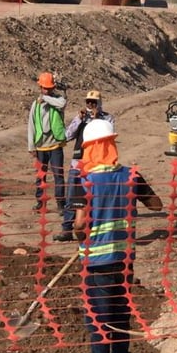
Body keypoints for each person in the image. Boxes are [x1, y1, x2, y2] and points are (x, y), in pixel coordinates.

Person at [71, 119, 163, 353]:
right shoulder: (130, 176)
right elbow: (156, 205)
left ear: (90, 148)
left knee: (98, 321)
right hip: (124, 261)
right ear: (112, 145)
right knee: (121, 317)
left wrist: (81, 235)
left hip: (95, 264)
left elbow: (79, 223)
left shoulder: (85, 180)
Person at [53, 90, 115, 242]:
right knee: (71, 197)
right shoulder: (80, 118)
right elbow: (67, 136)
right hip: (78, 161)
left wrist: (95, 120)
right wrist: (78, 120)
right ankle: (67, 229)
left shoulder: (107, 119)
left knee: (95, 197)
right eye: (88, 102)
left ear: (100, 104)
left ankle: (93, 229)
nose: (90, 105)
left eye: (93, 102)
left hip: (98, 163)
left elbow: (108, 136)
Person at [27, 71, 67, 211]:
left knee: (58, 176)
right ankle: (41, 202)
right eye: (44, 88)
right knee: (40, 176)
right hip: (40, 146)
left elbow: (61, 105)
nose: (47, 90)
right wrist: (31, 146)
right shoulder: (35, 105)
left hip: (55, 144)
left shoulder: (58, 100)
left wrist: (45, 98)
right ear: (40, 88)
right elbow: (31, 124)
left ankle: (61, 203)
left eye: (49, 88)